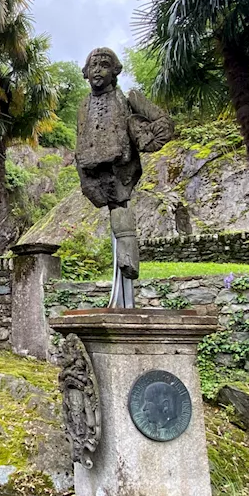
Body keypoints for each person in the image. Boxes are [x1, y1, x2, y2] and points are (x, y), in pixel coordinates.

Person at [74, 47, 174, 306]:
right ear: (86, 73)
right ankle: (124, 271)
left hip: (121, 172)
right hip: (93, 174)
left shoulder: (127, 100)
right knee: (116, 214)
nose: (98, 70)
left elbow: (161, 122)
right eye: (93, 65)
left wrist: (150, 137)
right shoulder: (83, 105)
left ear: (115, 70)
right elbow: (80, 139)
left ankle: (129, 262)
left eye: (104, 65)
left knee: (121, 215)